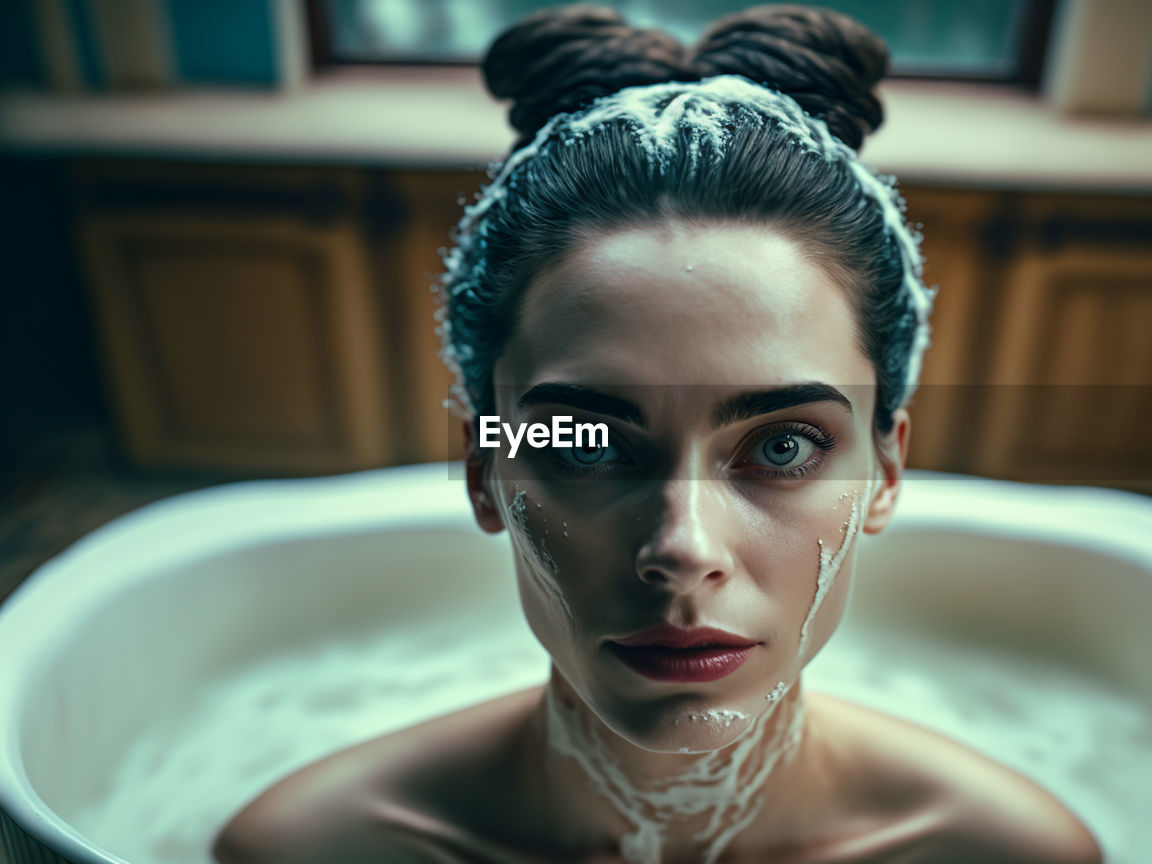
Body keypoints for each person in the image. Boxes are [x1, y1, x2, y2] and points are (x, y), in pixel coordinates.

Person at [213, 5, 1103, 862]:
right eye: (584, 443)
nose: (683, 548)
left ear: (887, 468)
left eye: (783, 445)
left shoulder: (1009, 853)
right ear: (484, 470)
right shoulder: (309, 849)